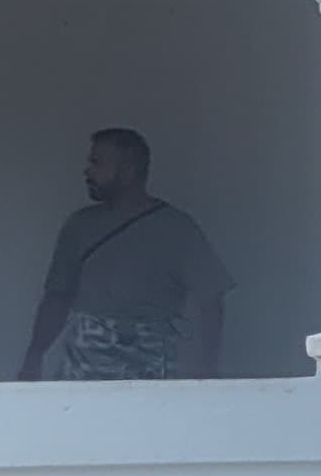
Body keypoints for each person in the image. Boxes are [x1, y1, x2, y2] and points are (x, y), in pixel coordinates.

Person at [20, 129, 229, 381]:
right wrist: (34, 356)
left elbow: (211, 300)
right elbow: (57, 297)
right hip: (85, 365)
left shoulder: (176, 228)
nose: (87, 171)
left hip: (153, 365)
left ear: (129, 170)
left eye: (97, 163)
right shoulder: (79, 226)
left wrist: (207, 367)